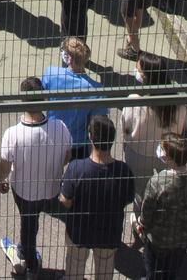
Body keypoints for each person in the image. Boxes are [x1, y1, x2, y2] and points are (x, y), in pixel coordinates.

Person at [0, 77, 71, 279]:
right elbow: (67, 156)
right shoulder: (60, 127)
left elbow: (4, 165)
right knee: (39, 220)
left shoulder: (13, 133)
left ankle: (30, 266)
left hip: (24, 193)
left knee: (28, 226)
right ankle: (25, 251)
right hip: (52, 190)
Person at [55, 113, 130, 280]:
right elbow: (127, 199)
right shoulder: (123, 170)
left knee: (75, 264)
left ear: (90, 137)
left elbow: (65, 200)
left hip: (79, 231)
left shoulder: (76, 168)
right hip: (109, 232)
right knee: (105, 268)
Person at [136, 133, 187, 280]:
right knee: (171, 273)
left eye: (163, 149)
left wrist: (140, 224)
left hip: (158, 240)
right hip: (182, 238)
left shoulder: (158, 181)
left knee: (153, 273)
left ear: (169, 157)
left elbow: (147, 212)